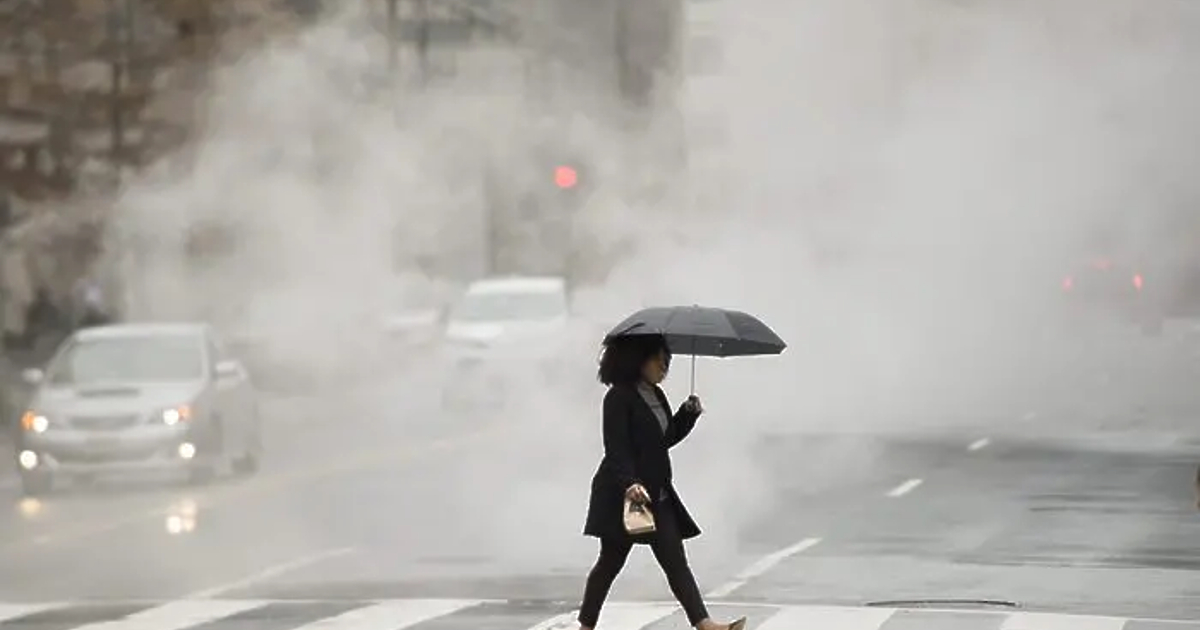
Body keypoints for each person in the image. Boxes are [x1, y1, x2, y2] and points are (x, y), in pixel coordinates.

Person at [577, 334, 746, 630]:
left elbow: (662, 441)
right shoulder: (618, 396)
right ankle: (586, 626)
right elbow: (616, 448)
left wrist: (687, 415)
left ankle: (705, 624)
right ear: (637, 359)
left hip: (657, 491)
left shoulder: (656, 395)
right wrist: (629, 483)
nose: (664, 365)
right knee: (609, 563)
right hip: (623, 494)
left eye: (666, 359)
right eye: (658, 358)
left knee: (676, 561)